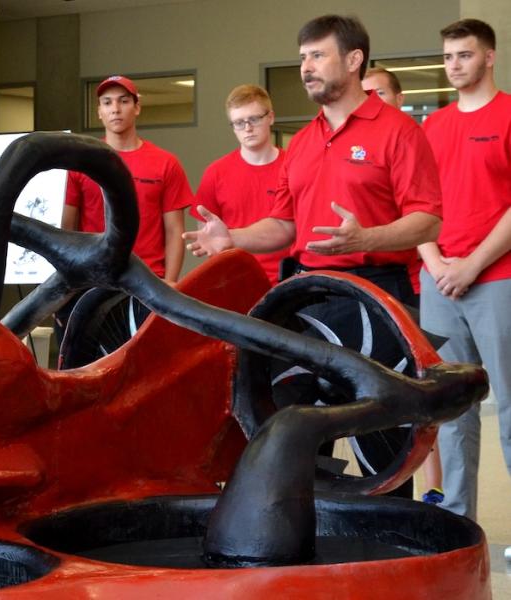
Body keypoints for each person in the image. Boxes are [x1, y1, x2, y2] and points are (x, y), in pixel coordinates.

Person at [183, 15, 442, 498]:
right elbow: (284, 226)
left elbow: (427, 219)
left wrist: (364, 238)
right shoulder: (300, 144)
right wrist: (232, 237)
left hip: (379, 297)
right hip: (309, 296)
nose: (306, 67)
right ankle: (313, 533)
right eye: (302, 57)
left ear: (354, 59)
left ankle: (382, 553)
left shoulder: (400, 132)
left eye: (317, 55)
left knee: (381, 439)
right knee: (291, 418)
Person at [418, 18, 511, 522]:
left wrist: (471, 265)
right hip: (440, 282)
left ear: (489, 57)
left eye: (465, 55)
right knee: (451, 410)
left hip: (498, 279)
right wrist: (436, 265)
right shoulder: (433, 126)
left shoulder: (510, 115)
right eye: (449, 56)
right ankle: (457, 521)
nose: (455, 65)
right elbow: (418, 204)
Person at [57, 75, 192, 340]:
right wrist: (65, 289)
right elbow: (66, 231)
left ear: (137, 107)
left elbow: (175, 231)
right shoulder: (80, 162)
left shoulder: (165, 163)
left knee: (149, 371)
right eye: (107, 103)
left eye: (123, 101)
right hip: (92, 285)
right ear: (99, 112)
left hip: (148, 285)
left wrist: (171, 283)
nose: (115, 109)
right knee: (85, 370)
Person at [362, 67, 443, 505]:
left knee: (415, 402)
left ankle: (431, 491)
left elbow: (427, 218)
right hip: (384, 287)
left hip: (410, 289)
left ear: (397, 96)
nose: (371, 99)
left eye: (379, 93)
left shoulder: (405, 139)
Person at [193, 85, 288, 286]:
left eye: (254, 119)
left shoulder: (294, 166)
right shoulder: (216, 173)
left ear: (270, 117)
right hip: (235, 281)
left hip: (288, 280)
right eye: (238, 123)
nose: (247, 128)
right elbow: (208, 235)